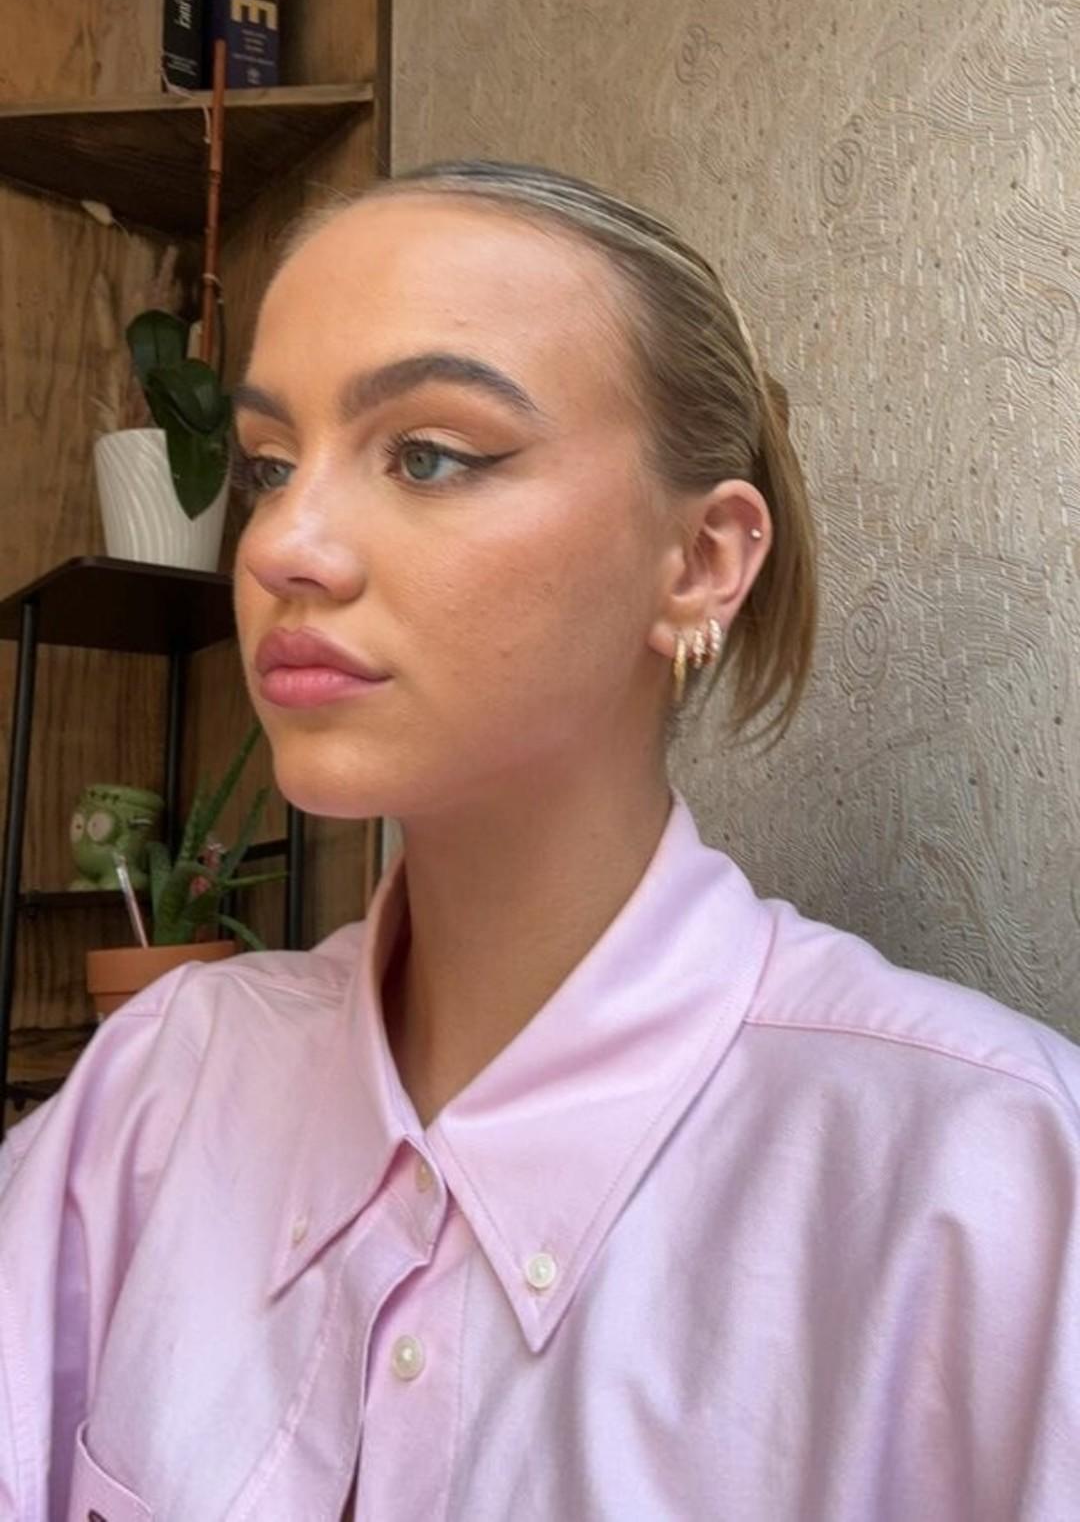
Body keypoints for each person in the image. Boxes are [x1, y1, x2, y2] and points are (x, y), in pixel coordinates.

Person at [1, 161, 1077, 1522]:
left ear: (701, 561)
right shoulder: (160, 1086)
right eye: (271, 466)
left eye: (428, 455)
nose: (280, 548)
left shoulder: (990, 1182)